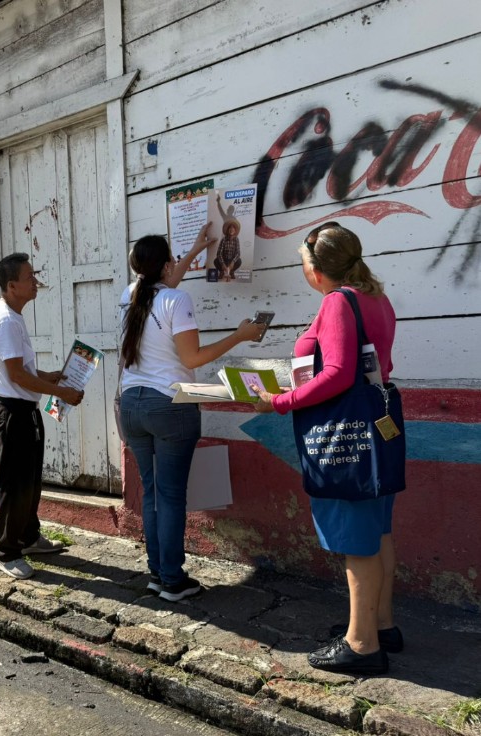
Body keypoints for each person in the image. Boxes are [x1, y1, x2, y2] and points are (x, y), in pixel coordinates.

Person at [253, 222, 399, 676]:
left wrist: (281, 401)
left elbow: (336, 373)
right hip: (377, 429)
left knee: (357, 543)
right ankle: (380, 625)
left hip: (345, 438)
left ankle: (362, 645)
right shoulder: (376, 297)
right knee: (378, 533)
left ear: (316, 270)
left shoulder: (338, 301)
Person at [119, 225, 263, 601]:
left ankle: (157, 573)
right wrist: (239, 335)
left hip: (131, 404)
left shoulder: (130, 295)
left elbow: (163, 286)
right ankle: (172, 579)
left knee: (152, 492)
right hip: (169, 405)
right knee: (171, 495)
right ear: (166, 265)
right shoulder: (177, 300)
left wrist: (197, 248)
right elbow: (193, 358)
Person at [0, 253, 84, 580]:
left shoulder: (13, 317)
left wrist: (49, 376)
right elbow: (16, 376)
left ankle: (28, 537)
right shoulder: (6, 321)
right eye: (29, 277)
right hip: (14, 413)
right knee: (14, 483)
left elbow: (22, 370)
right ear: (12, 285)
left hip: (25, 411)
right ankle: (6, 552)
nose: (35, 282)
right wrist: (61, 392)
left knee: (29, 480)